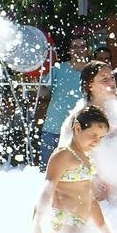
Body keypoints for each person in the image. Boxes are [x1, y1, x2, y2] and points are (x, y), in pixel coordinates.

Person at [31, 105, 117, 233]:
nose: (97, 141)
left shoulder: (87, 159)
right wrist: (36, 222)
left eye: (101, 137)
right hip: (63, 223)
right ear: (77, 129)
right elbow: (47, 188)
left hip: (78, 224)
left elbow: (90, 199)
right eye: (93, 134)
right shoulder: (64, 154)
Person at [60, 60, 117, 203]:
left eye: (112, 77)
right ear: (89, 86)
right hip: (95, 196)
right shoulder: (79, 117)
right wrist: (91, 180)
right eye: (104, 79)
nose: (112, 82)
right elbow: (65, 157)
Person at [35, 36, 90, 167]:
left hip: (81, 131)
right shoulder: (58, 69)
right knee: (47, 171)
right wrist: (37, 83)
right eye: (74, 47)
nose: (78, 50)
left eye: (82, 46)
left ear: (88, 50)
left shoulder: (92, 71)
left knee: (77, 175)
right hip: (53, 127)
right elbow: (44, 93)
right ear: (70, 51)